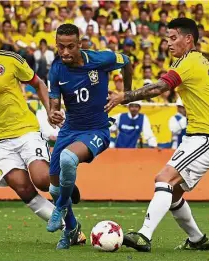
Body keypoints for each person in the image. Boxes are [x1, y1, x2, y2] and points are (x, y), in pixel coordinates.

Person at [0, 16, 84, 245]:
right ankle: (69, 228)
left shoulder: (10, 60)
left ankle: (66, 183)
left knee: (42, 180)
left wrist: (51, 110)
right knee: (23, 189)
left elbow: (39, 84)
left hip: (25, 131)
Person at [105, 18, 209, 252]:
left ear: (188, 39)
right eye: (167, 39)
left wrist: (124, 96)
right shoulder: (204, 62)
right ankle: (197, 239)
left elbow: (159, 88)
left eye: (173, 38)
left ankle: (144, 235)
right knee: (172, 193)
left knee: (163, 179)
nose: (168, 43)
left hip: (204, 138)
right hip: (204, 137)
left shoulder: (187, 63)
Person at [46, 23, 133, 249]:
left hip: (97, 130)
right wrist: (52, 113)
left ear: (80, 44)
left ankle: (61, 206)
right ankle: (72, 229)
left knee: (67, 159)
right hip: (69, 129)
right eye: (60, 47)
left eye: (70, 47)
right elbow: (54, 101)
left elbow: (127, 61)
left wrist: (127, 94)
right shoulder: (56, 69)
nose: (65, 52)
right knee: (53, 188)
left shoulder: (100, 59)